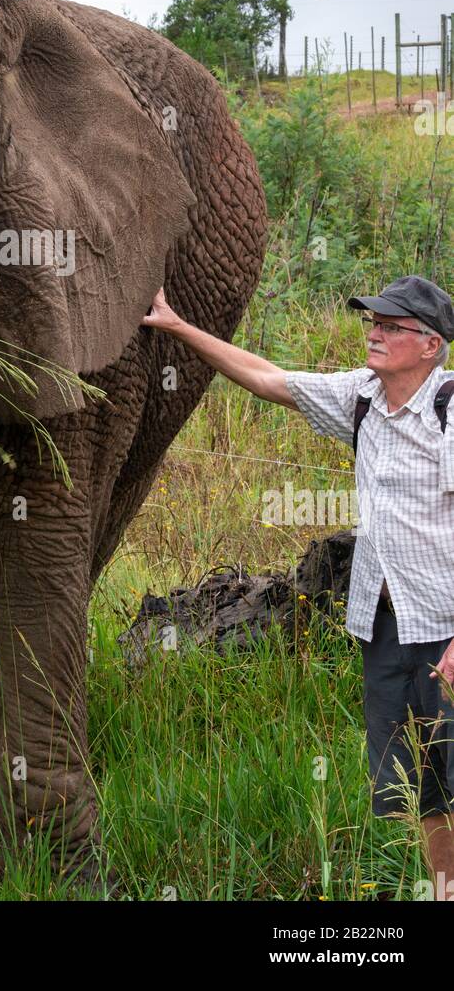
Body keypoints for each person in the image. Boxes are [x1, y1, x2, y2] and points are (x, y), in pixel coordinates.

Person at [142, 274, 454, 900]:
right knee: (421, 785)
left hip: (447, 627)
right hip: (387, 625)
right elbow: (266, 377)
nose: (374, 333)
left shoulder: (449, 414)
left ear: (431, 346)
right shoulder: (362, 397)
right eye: (373, 322)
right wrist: (176, 325)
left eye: (393, 326)